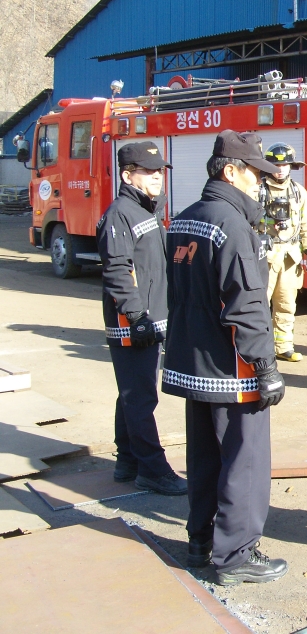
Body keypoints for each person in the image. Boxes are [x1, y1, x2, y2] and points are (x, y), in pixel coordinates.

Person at [162, 130, 287, 585]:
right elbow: (246, 304)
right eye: (256, 173)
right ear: (231, 172)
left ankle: (201, 542)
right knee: (244, 463)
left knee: (204, 459)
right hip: (233, 369)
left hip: (194, 365)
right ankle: (235, 556)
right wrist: (266, 367)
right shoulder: (232, 225)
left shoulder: (185, 219)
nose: (262, 183)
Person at [96, 141, 187, 495]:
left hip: (147, 319)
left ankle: (128, 460)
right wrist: (136, 317)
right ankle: (152, 469)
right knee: (141, 396)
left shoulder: (143, 211)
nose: (156, 176)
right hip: (132, 322)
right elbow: (117, 270)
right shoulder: (120, 213)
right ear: (127, 176)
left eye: (159, 170)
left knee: (132, 393)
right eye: (148, 171)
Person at [261, 143, 307, 362]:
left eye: (285, 165)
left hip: (290, 257)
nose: (280, 169)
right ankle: (259, 349)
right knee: (258, 304)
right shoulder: (257, 190)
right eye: (276, 165)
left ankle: (283, 347)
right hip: (265, 255)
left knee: (286, 304)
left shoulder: (298, 192)